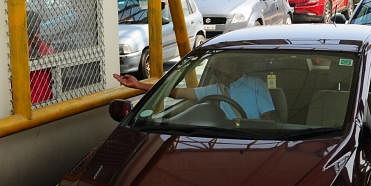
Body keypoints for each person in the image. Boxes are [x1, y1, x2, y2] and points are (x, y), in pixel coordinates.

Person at [113, 57, 276, 120]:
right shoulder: (215, 89)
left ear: (235, 65)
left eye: (222, 66)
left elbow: (269, 121)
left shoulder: (255, 85)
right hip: (219, 139)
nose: (218, 70)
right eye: (216, 69)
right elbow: (176, 93)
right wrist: (138, 84)